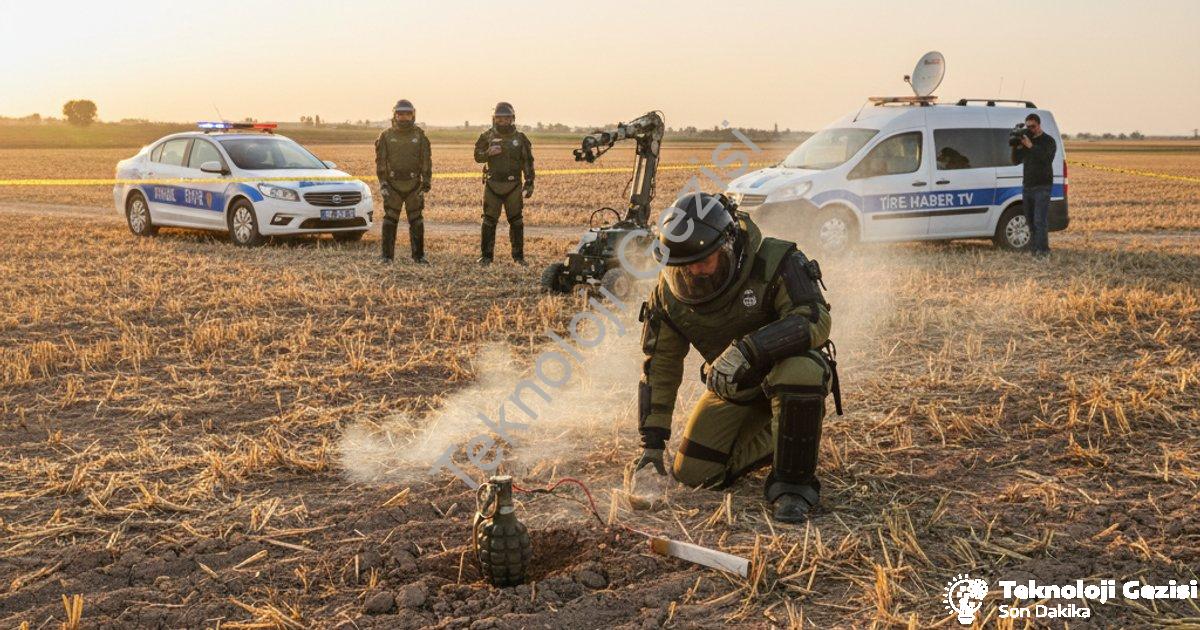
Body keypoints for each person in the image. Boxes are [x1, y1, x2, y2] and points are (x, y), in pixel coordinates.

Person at [633, 192, 841, 523]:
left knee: (800, 370)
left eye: (704, 261)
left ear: (730, 246)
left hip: (788, 375)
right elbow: (661, 365)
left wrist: (750, 349)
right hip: (735, 389)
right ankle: (785, 432)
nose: (695, 272)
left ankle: (792, 487)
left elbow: (814, 318)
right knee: (695, 473)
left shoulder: (776, 260)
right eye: (684, 266)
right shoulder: (668, 296)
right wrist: (652, 446)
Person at [474, 102, 534, 265]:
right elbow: (477, 156)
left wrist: (529, 182)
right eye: (500, 118)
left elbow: (527, 162)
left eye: (506, 118)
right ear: (494, 119)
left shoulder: (520, 139)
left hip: (513, 186)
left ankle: (518, 257)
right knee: (488, 221)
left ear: (512, 118)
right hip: (492, 185)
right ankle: (486, 257)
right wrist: (488, 153)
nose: (503, 121)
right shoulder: (486, 136)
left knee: (516, 221)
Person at [375, 99, 432, 264]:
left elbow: (426, 160)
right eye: (401, 114)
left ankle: (419, 257)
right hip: (393, 185)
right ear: (395, 115)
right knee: (389, 220)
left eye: (407, 114)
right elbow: (380, 161)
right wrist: (383, 182)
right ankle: (386, 257)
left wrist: (426, 181)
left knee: (417, 220)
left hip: (414, 185)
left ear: (413, 115)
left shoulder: (420, 136)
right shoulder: (386, 136)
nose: (404, 117)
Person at [1011, 113, 1056, 256]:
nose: (1030, 129)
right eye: (1028, 126)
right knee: (1030, 221)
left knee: (1039, 220)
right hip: (1028, 186)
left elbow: (1046, 159)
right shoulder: (1026, 141)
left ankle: (1043, 251)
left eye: (1033, 126)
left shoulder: (1048, 141)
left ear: (1039, 125)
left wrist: (1031, 146)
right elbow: (1015, 161)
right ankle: (1034, 249)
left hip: (1042, 186)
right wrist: (1016, 146)